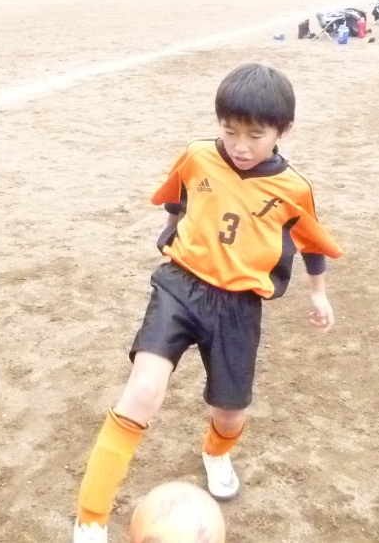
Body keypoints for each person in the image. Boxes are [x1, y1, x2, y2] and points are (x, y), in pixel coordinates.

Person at [71, 63, 344, 543]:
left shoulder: (293, 188)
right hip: (180, 286)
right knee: (143, 390)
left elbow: (312, 243)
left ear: (284, 130)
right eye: (230, 131)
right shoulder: (197, 155)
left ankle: (216, 453)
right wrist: (176, 230)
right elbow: (175, 196)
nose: (241, 146)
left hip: (238, 306)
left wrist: (318, 293)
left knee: (229, 414)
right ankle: (90, 520)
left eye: (256, 135)